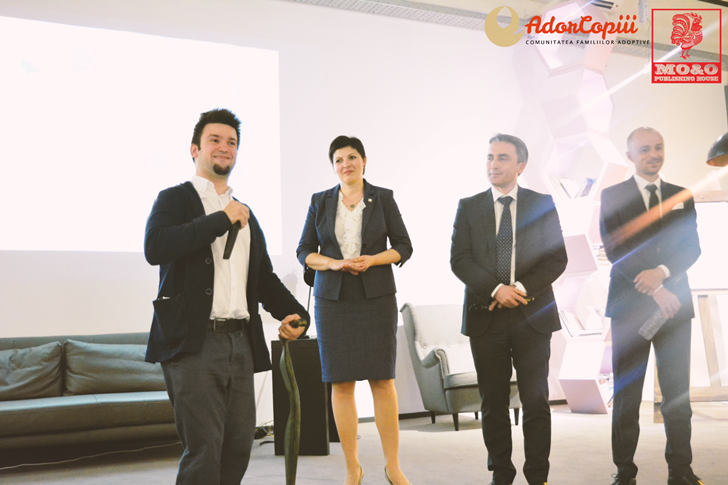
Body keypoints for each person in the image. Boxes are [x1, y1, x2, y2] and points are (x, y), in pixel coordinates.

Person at [144, 108, 310, 485]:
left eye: (231, 142)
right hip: (194, 343)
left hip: (240, 342)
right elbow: (156, 247)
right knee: (204, 449)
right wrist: (222, 218)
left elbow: (263, 279)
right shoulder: (174, 199)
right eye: (214, 140)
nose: (224, 147)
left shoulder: (246, 214)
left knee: (237, 447)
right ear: (194, 149)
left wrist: (297, 314)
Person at [450, 134, 567, 485]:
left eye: (502, 157)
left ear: (521, 165)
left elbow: (557, 258)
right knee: (493, 403)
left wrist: (520, 289)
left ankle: (537, 477)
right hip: (486, 316)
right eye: (490, 157)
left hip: (532, 316)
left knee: (536, 401)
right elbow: (459, 260)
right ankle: (501, 473)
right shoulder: (469, 207)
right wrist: (496, 289)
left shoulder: (541, 204)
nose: (493, 164)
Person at [296, 136, 413, 485]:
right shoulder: (320, 201)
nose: (345, 164)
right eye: (338, 160)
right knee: (341, 383)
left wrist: (373, 260)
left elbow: (404, 246)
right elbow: (304, 251)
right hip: (332, 301)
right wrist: (332, 264)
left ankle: (393, 466)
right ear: (333, 166)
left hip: (376, 298)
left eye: (351, 157)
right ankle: (352, 468)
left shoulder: (384, 198)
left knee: (383, 381)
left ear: (364, 161)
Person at [600, 127, 703, 485]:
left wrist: (662, 273)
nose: (653, 154)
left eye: (658, 147)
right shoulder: (612, 196)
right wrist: (655, 288)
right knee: (627, 397)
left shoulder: (681, 195)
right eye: (645, 149)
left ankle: (681, 470)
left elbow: (692, 247)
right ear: (630, 156)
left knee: (677, 396)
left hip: (675, 307)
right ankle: (624, 472)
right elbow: (615, 247)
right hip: (630, 308)